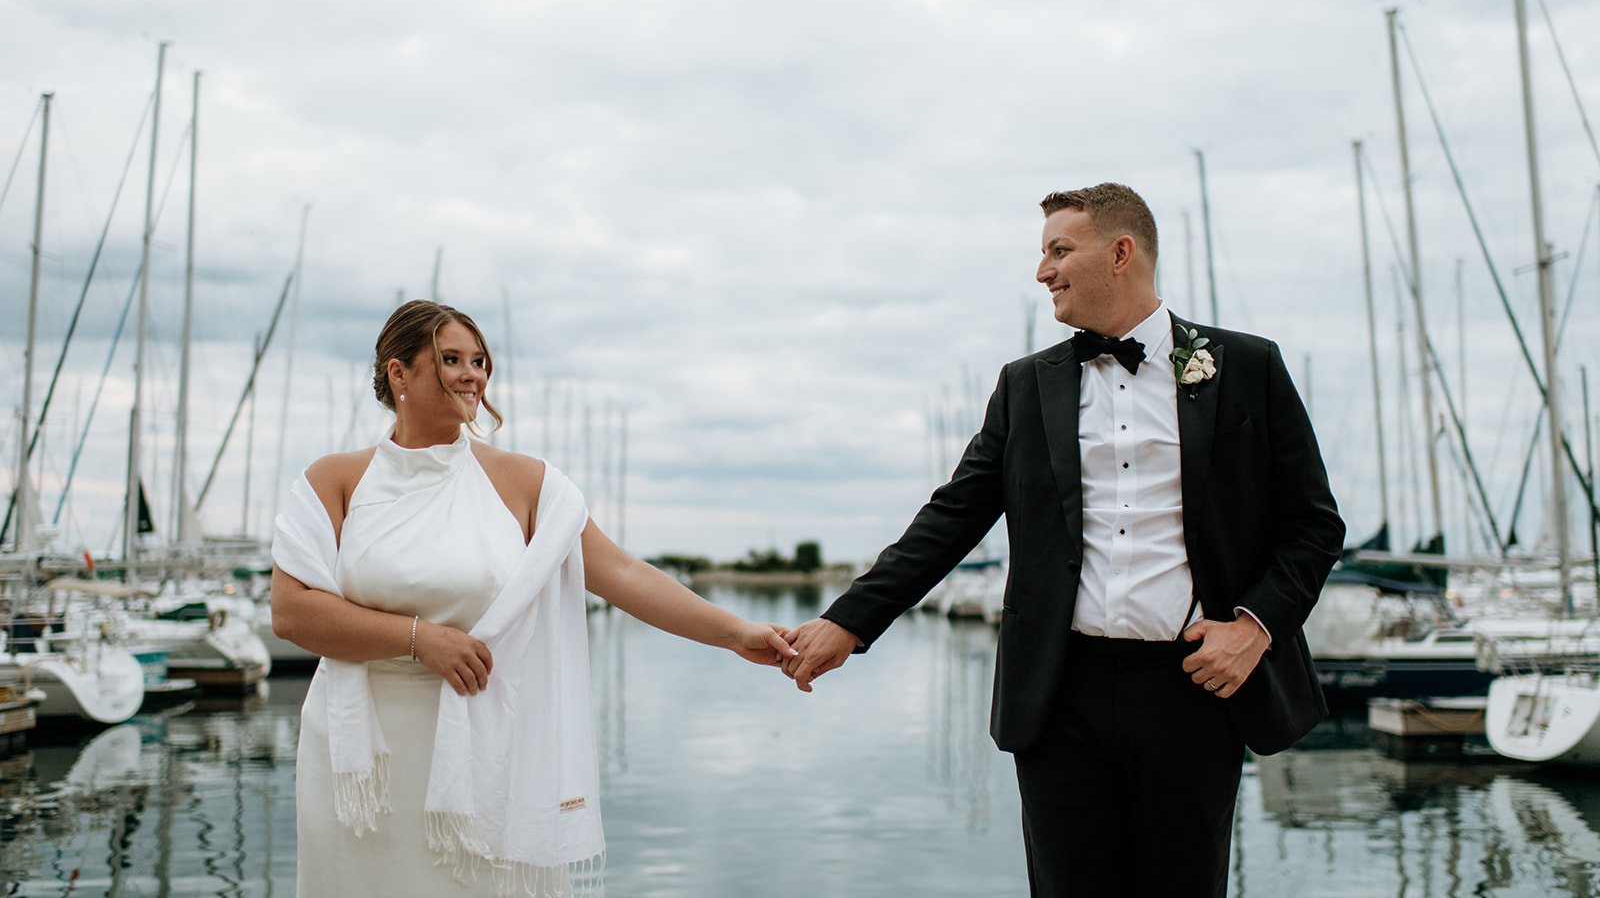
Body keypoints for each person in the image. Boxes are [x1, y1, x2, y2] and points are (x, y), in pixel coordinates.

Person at [783, 184, 1344, 897]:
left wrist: (1255, 627)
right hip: (1058, 691)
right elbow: (951, 519)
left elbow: (1314, 522)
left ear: (1120, 253)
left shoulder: (1247, 367)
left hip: (1192, 690)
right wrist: (847, 621)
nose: (1042, 270)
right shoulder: (1026, 386)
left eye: (1058, 250)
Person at [271, 299, 795, 898]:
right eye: (451, 359)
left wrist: (735, 632)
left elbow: (622, 572)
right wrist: (420, 640)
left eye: (480, 361)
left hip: (489, 750)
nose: (473, 374)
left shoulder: (526, 483)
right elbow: (292, 611)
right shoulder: (333, 481)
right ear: (398, 374)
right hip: (365, 763)